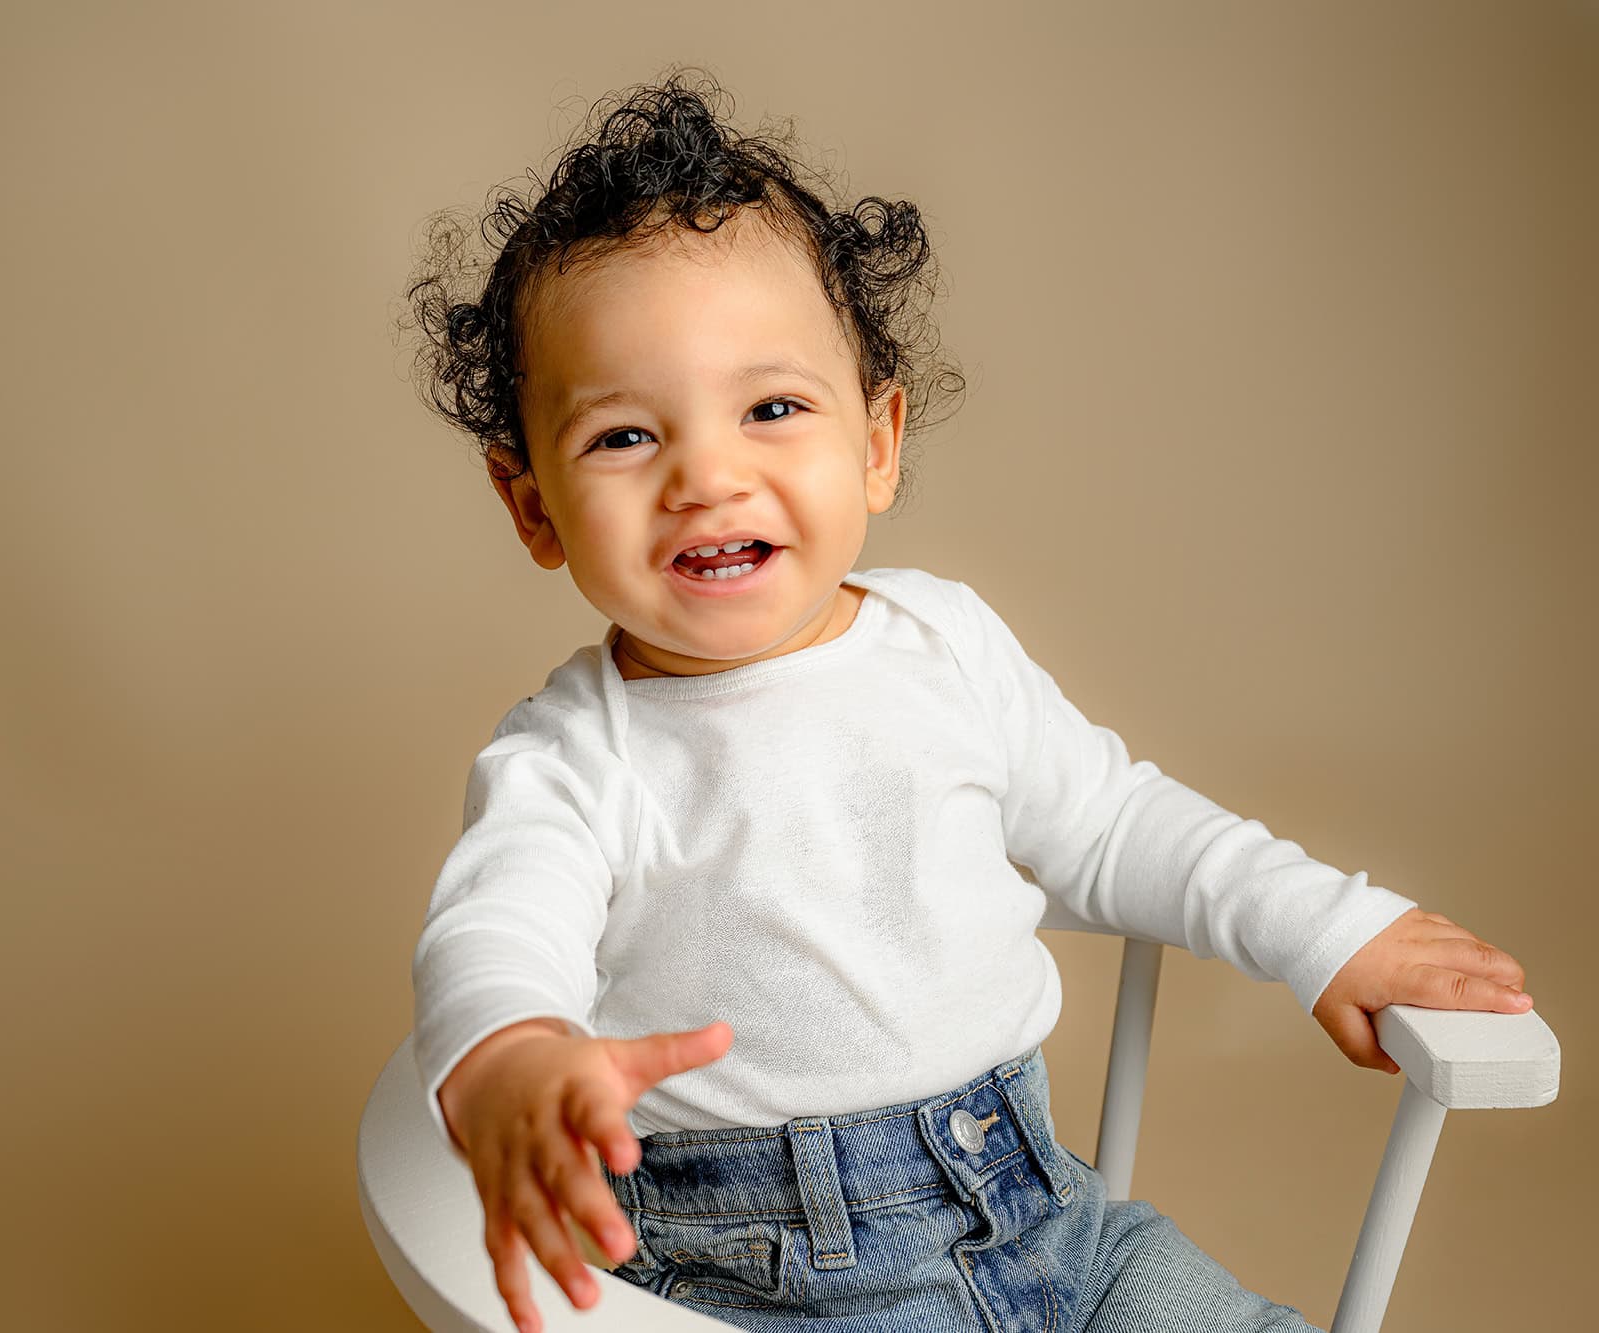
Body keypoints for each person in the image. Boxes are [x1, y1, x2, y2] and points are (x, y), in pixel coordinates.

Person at [398, 69, 1531, 1333]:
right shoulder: (571, 758)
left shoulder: (945, 642)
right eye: (623, 437)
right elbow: (494, 938)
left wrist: (1328, 930)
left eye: (772, 408)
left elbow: (1110, 828)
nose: (708, 476)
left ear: (876, 442)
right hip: (762, 1280)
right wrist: (510, 1063)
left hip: (1047, 1213)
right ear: (533, 507)